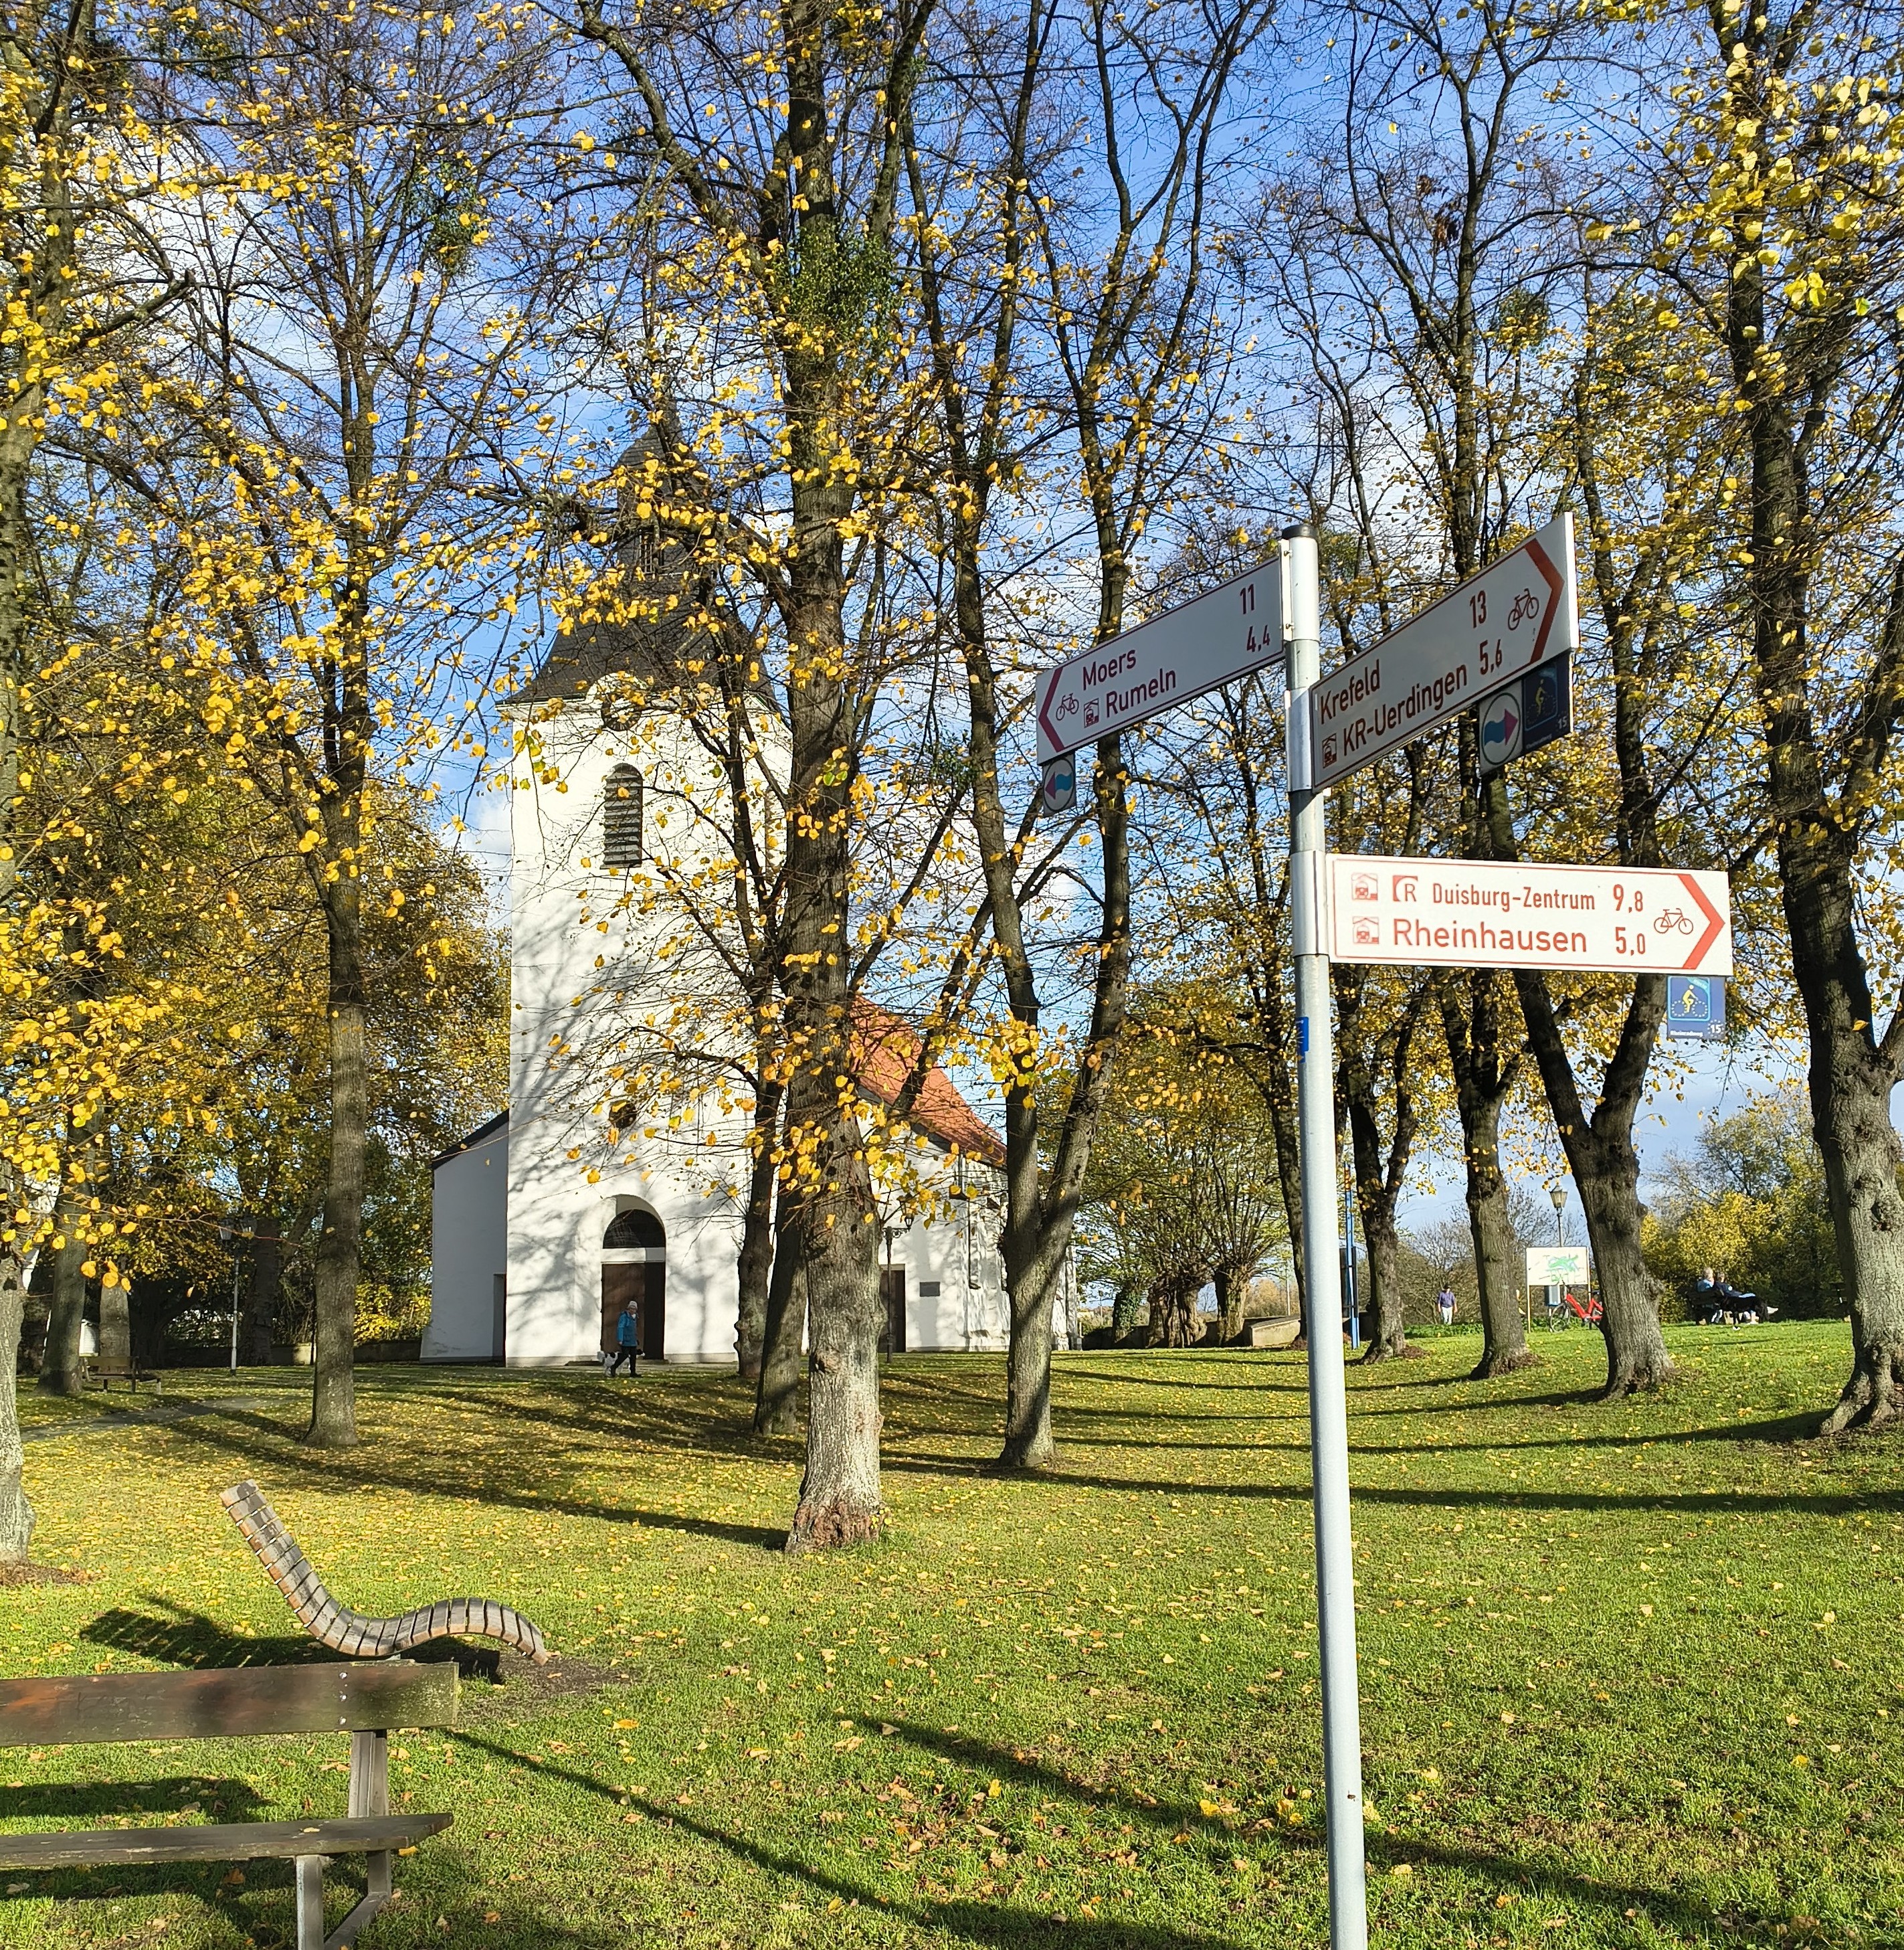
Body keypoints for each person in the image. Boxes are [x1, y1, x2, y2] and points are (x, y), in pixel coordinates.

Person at [607, 1298, 640, 1377]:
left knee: (633, 1357)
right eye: (631, 1308)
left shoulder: (635, 1318)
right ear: (629, 1308)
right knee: (625, 1355)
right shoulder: (624, 1316)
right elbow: (621, 1327)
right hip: (625, 1340)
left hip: (633, 1340)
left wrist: (636, 1339)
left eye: (634, 1309)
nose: (633, 1310)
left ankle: (633, 1372)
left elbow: (634, 1329)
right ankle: (614, 1367)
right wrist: (620, 1339)